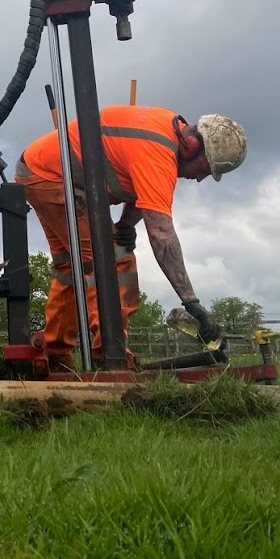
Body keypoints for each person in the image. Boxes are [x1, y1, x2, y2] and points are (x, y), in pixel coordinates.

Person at [14, 105, 247, 371]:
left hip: (40, 170)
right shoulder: (157, 155)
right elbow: (161, 234)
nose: (199, 179)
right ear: (192, 146)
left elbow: (138, 183)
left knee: (73, 266)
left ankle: (54, 354)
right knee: (113, 259)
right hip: (53, 180)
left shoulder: (164, 131)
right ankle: (111, 357)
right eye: (204, 169)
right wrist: (192, 303)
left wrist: (125, 223)